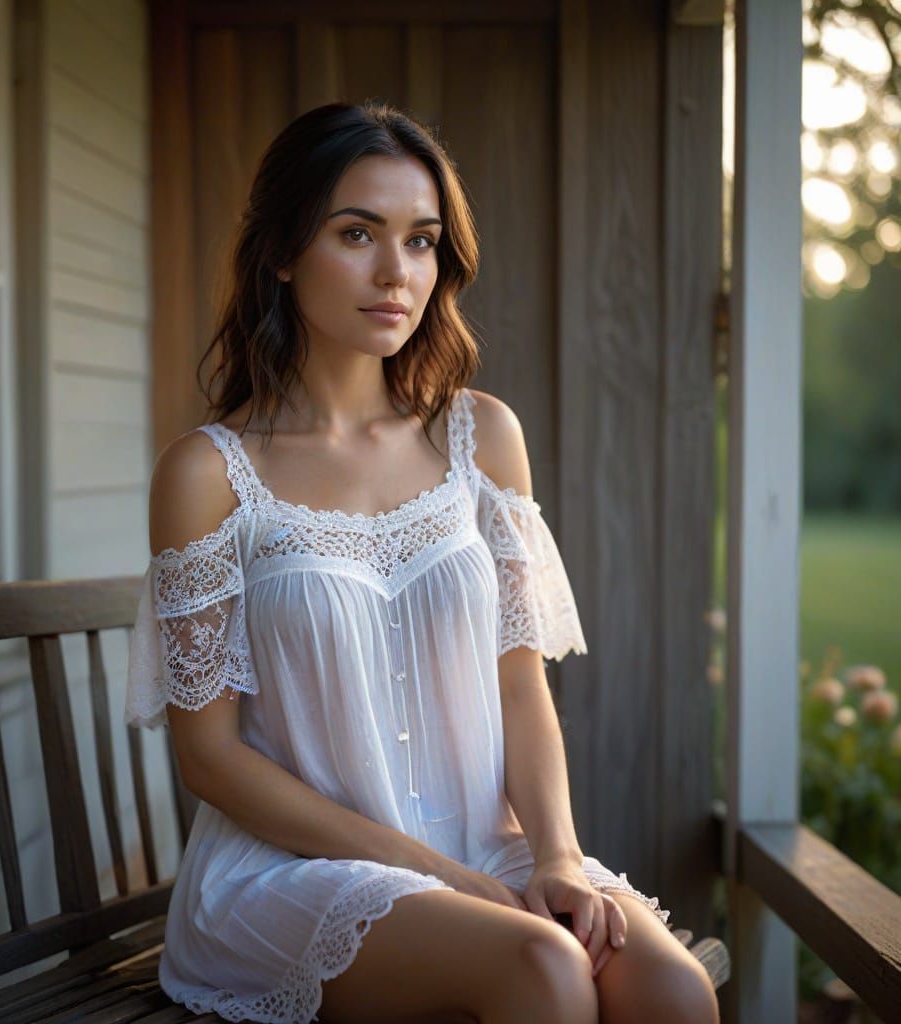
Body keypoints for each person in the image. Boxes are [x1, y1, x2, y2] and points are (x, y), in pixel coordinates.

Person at [125, 101, 719, 1024]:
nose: (396, 273)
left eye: (422, 240)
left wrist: (556, 856)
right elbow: (209, 758)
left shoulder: (484, 438)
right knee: (544, 972)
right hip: (294, 874)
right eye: (357, 233)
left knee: (674, 992)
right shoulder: (209, 474)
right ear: (283, 250)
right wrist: (438, 879)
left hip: (489, 847)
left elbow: (520, 687)